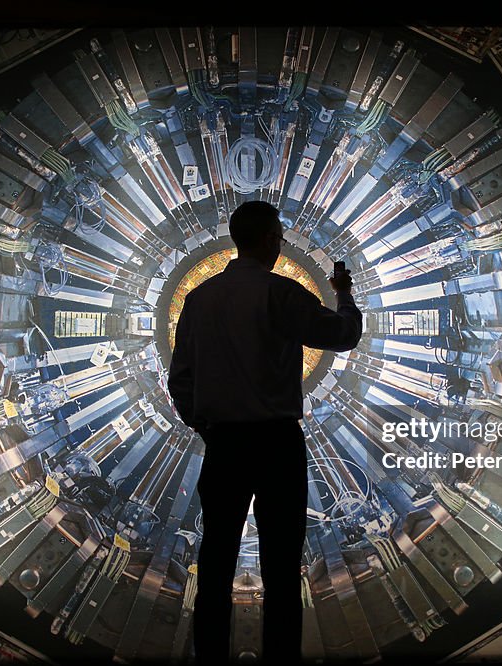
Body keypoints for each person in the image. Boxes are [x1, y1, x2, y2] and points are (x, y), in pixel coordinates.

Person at [168, 200, 362, 663]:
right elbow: (343, 335)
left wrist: (208, 427)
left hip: (225, 444)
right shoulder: (283, 294)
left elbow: (180, 380)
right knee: (280, 567)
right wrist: (344, 293)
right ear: (272, 240)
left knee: (215, 563)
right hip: (277, 444)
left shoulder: (199, 300)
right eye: (279, 236)